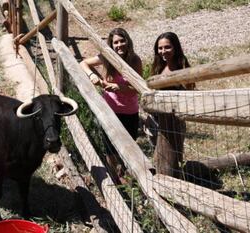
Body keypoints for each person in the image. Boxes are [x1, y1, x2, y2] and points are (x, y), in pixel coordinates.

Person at [80, 28, 142, 184]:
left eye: (122, 41)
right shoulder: (106, 58)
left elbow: (140, 87)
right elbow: (84, 63)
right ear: (111, 44)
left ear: (128, 41)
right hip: (110, 110)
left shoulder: (134, 60)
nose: (119, 45)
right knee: (109, 147)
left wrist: (119, 87)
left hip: (130, 111)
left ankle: (124, 172)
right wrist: (93, 75)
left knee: (129, 145)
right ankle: (115, 178)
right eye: (116, 42)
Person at [150, 32, 194, 177]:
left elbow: (190, 90)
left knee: (174, 154)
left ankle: (174, 181)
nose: (163, 51)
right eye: (160, 48)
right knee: (158, 154)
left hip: (175, 120)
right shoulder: (158, 67)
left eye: (167, 47)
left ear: (175, 48)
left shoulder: (181, 67)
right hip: (157, 119)